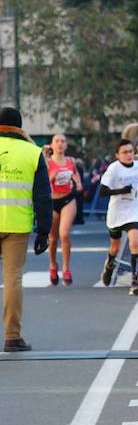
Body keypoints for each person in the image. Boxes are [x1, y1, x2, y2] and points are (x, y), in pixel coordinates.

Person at [0, 107, 51, 352]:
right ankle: (12, 336)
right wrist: (44, 230)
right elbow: (42, 196)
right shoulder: (32, 152)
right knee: (12, 279)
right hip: (16, 225)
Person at [98, 139, 138, 295]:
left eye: (131, 151)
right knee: (115, 247)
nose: (128, 155)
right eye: (125, 152)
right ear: (117, 155)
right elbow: (103, 191)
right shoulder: (114, 169)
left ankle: (135, 280)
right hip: (116, 212)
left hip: (132, 210)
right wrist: (121, 190)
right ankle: (109, 265)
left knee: (134, 242)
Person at [47, 134, 83, 286]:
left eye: (63, 141)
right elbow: (43, 184)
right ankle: (53, 265)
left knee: (65, 234)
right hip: (52, 201)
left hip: (68, 199)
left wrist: (78, 183)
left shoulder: (71, 161)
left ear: (66, 145)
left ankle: (66, 268)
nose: (60, 144)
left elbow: (75, 174)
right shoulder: (48, 163)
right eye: (57, 141)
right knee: (53, 238)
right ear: (52, 145)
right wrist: (52, 178)